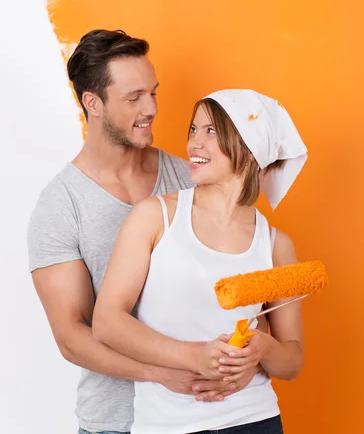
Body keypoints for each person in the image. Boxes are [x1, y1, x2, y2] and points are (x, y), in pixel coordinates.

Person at [28, 30, 248, 434]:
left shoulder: (190, 177)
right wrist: (159, 372)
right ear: (92, 103)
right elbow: (72, 336)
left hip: (206, 413)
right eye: (134, 98)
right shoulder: (61, 205)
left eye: (153, 93)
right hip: (116, 423)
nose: (151, 108)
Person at [93, 88, 308, 434]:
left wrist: (262, 349)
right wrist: (194, 356)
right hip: (169, 425)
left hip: (255, 420)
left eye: (211, 131)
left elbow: (292, 362)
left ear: (250, 148)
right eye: (193, 130)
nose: (195, 143)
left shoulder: (274, 244)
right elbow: (107, 322)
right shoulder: (155, 217)